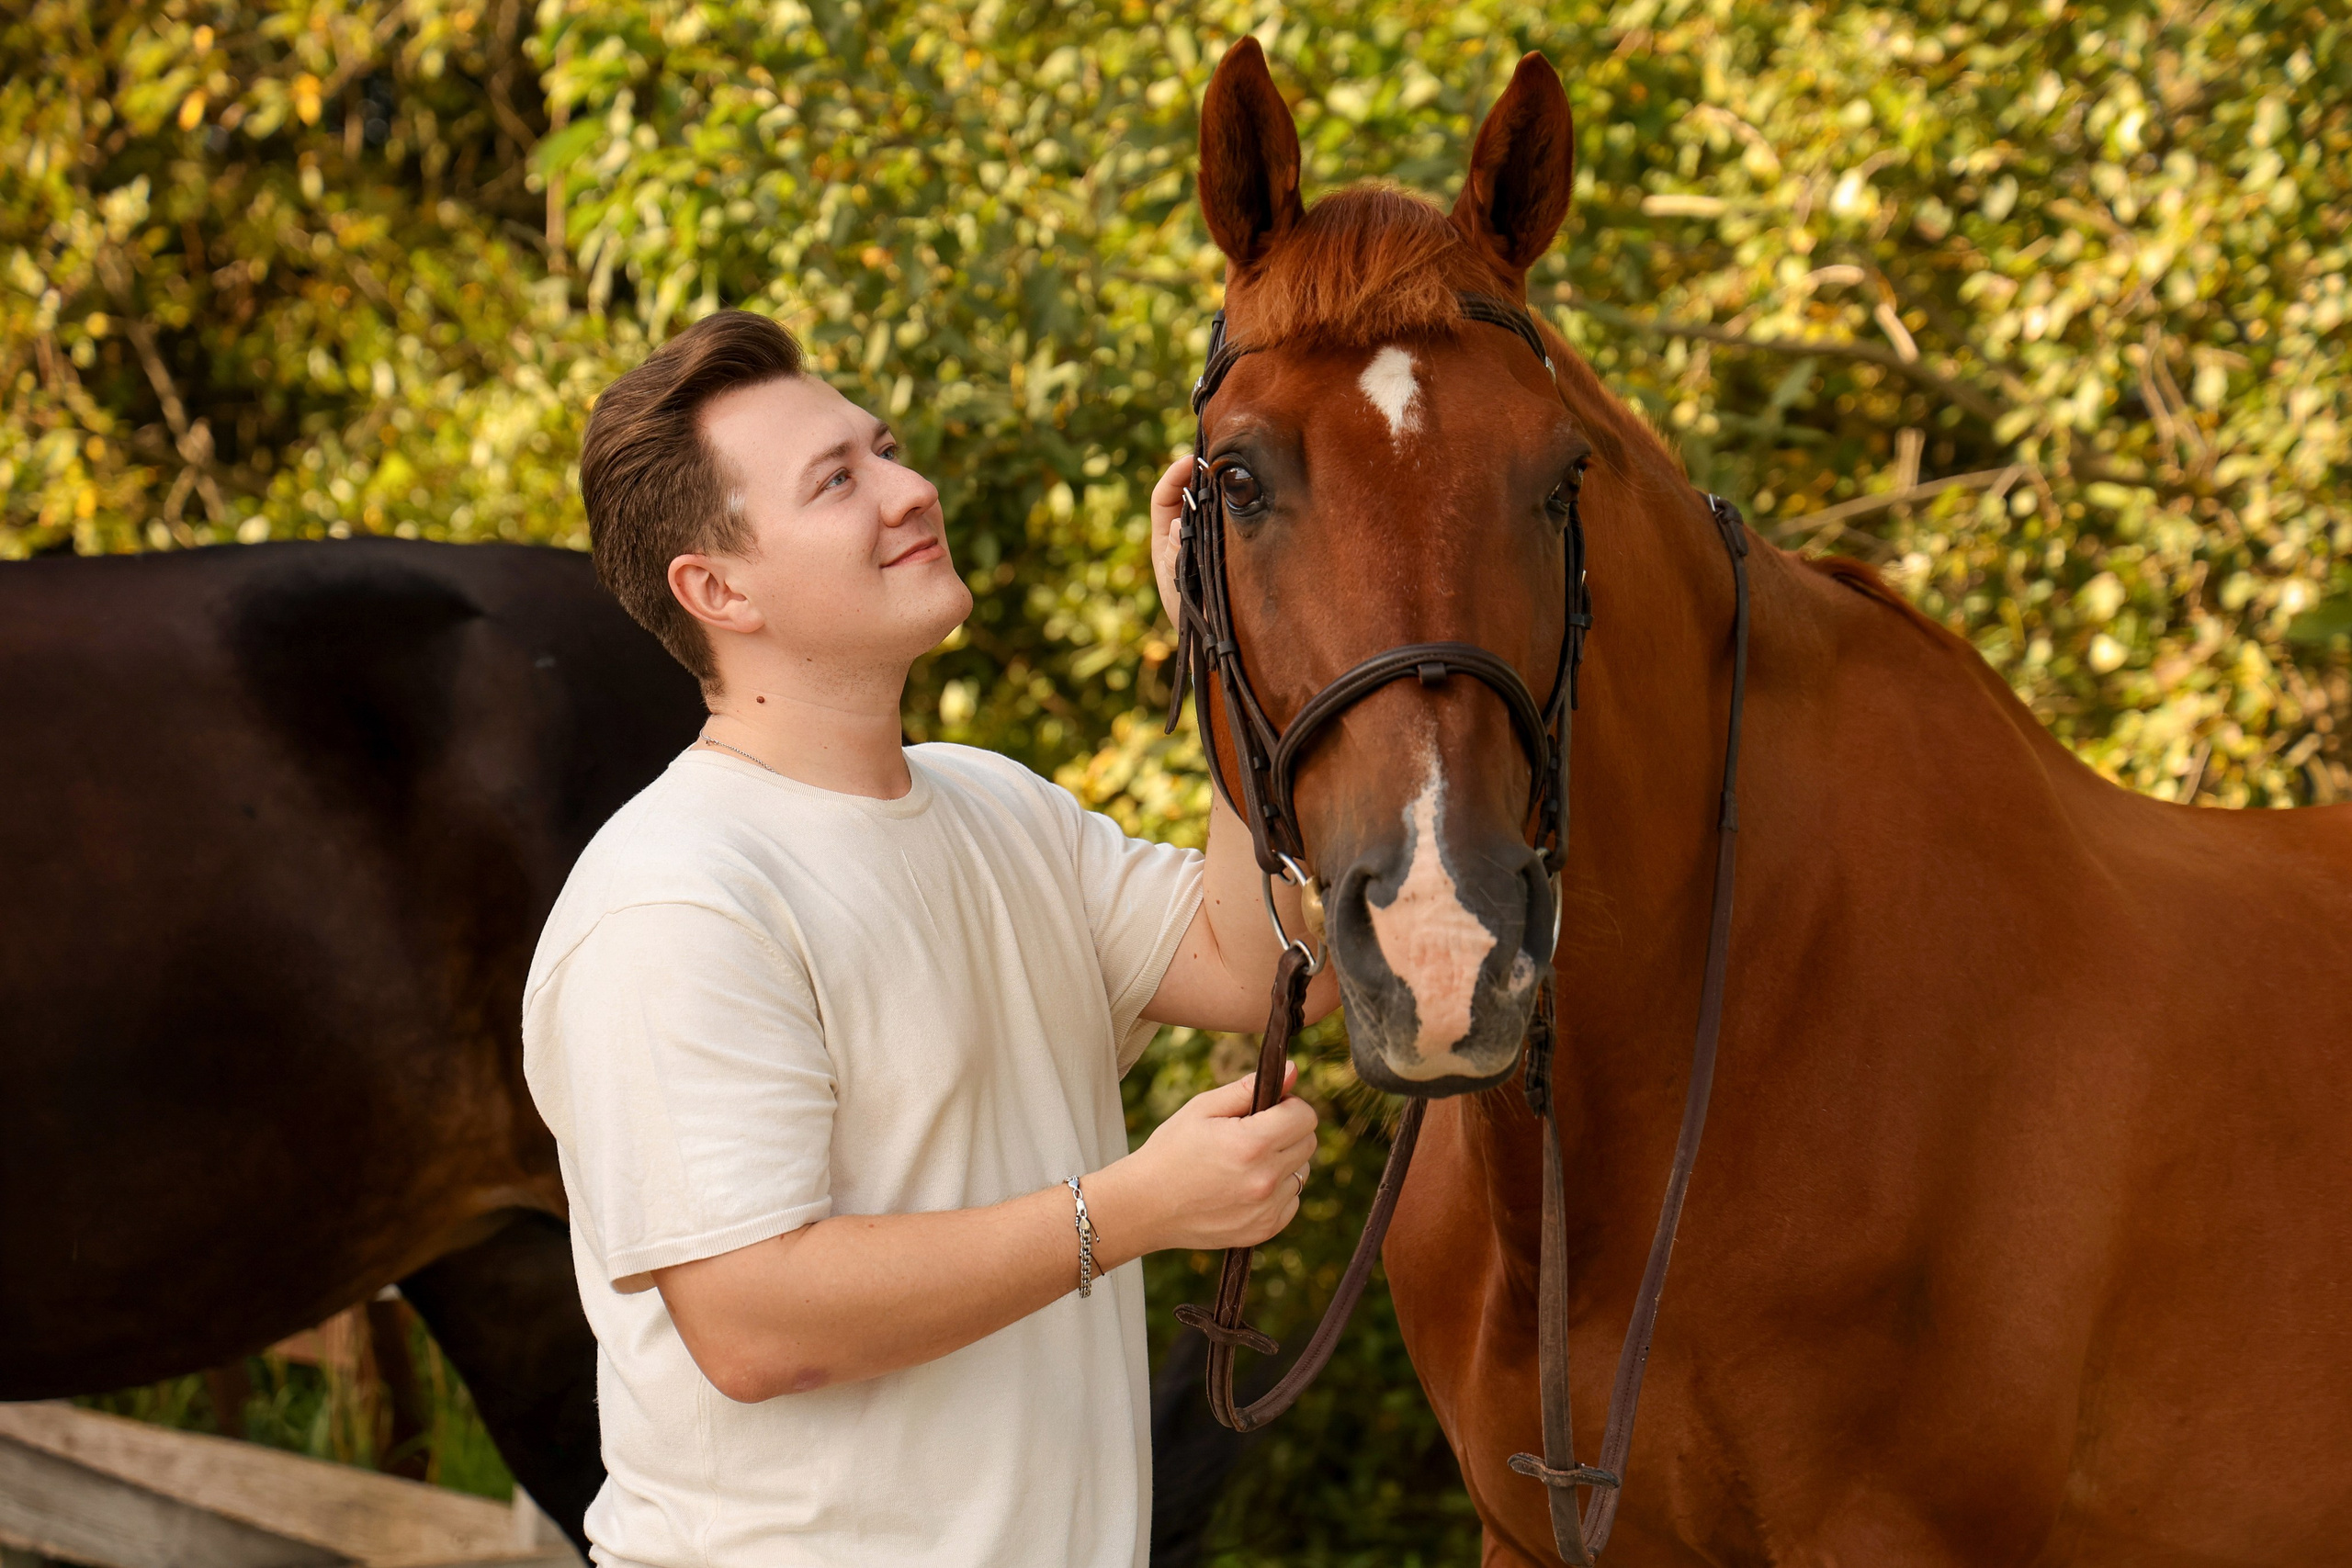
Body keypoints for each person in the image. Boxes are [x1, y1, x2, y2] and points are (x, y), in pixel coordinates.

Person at [523, 308, 1338, 1568]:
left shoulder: (995, 805)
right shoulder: (677, 898)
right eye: (838, 480)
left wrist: (1225, 653)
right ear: (716, 587)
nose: (911, 491)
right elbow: (754, 1322)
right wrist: (1131, 1211)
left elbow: (1268, 964)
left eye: (887, 448)